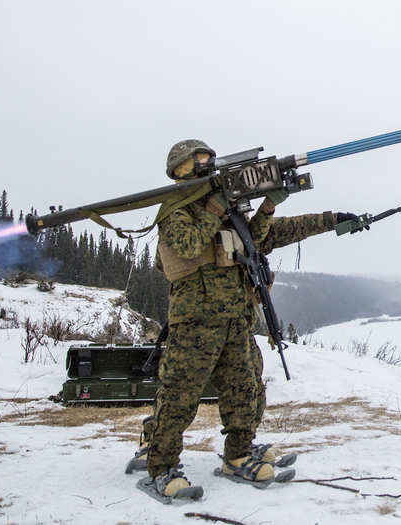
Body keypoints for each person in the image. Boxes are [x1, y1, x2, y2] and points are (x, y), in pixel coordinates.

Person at [143, 139, 284, 499]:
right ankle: (161, 467)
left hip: (236, 316)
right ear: (181, 169)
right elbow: (188, 245)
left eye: (209, 159)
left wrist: (267, 206)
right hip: (195, 321)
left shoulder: (224, 208)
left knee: (243, 391)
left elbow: (252, 242)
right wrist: (214, 206)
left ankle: (237, 455)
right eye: (199, 161)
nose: (207, 165)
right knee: (180, 396)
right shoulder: (175, 210)